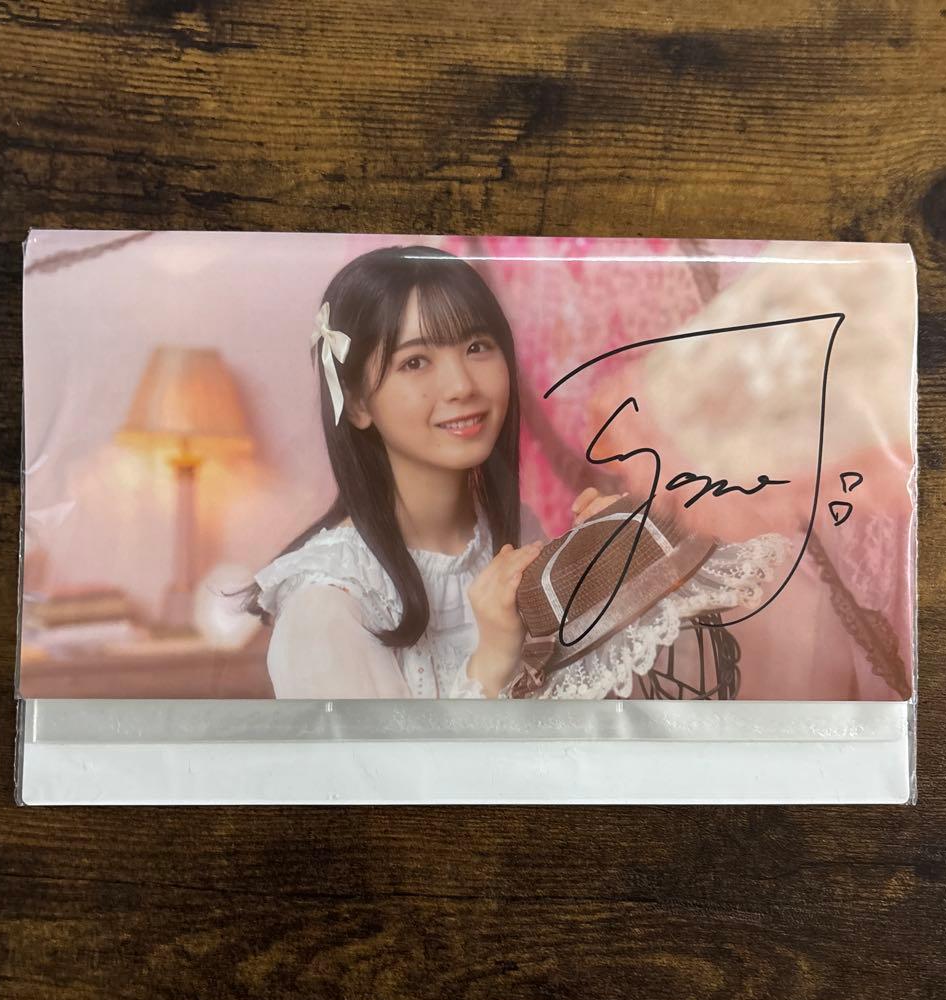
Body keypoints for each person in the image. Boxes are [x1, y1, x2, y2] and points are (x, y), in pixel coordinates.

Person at [239, 245, 785, 699]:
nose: (462, 385)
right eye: (415, 361)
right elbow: (388, 794)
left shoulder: (515, 534)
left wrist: (605, 567)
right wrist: (492, 660)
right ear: (357, 402)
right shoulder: (327, 607)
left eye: (477, 346)